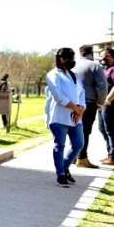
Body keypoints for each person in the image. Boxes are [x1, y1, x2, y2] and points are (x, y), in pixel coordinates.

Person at [44, 47, 86, 187]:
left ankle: (65, 166)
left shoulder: (74, 75)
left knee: (78, 144)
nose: (72, 61)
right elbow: (58, 96)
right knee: (59, 145)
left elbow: (81, 93)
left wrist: (81, 109)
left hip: (76, 117)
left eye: (73, 58)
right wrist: (75, 108)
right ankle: (60, 174)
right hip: (59, 116)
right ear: (61, 59)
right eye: (69, 58)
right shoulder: (53, 75)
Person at [72, 45, 108, 168]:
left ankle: (73, 155)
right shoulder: (94, 66)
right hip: (88, 102)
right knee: (85, 131)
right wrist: (101, 102)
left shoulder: (73, 66)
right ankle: (82, 158)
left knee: (73, 129)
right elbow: (102, 85)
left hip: (72, 102)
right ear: (91, 54)